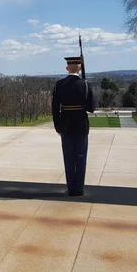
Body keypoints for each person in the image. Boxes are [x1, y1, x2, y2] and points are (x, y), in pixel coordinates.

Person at [51, 56, 95, 196]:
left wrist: (57, 125)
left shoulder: (59, 84)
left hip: (65, 125)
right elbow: (91, 108)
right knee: (81, 157)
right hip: (81, 125)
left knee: (69, 158)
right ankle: (79, 188)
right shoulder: (86, 84)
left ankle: (71, 188)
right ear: (80, 68)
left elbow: (54, 107)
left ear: (67, 68)